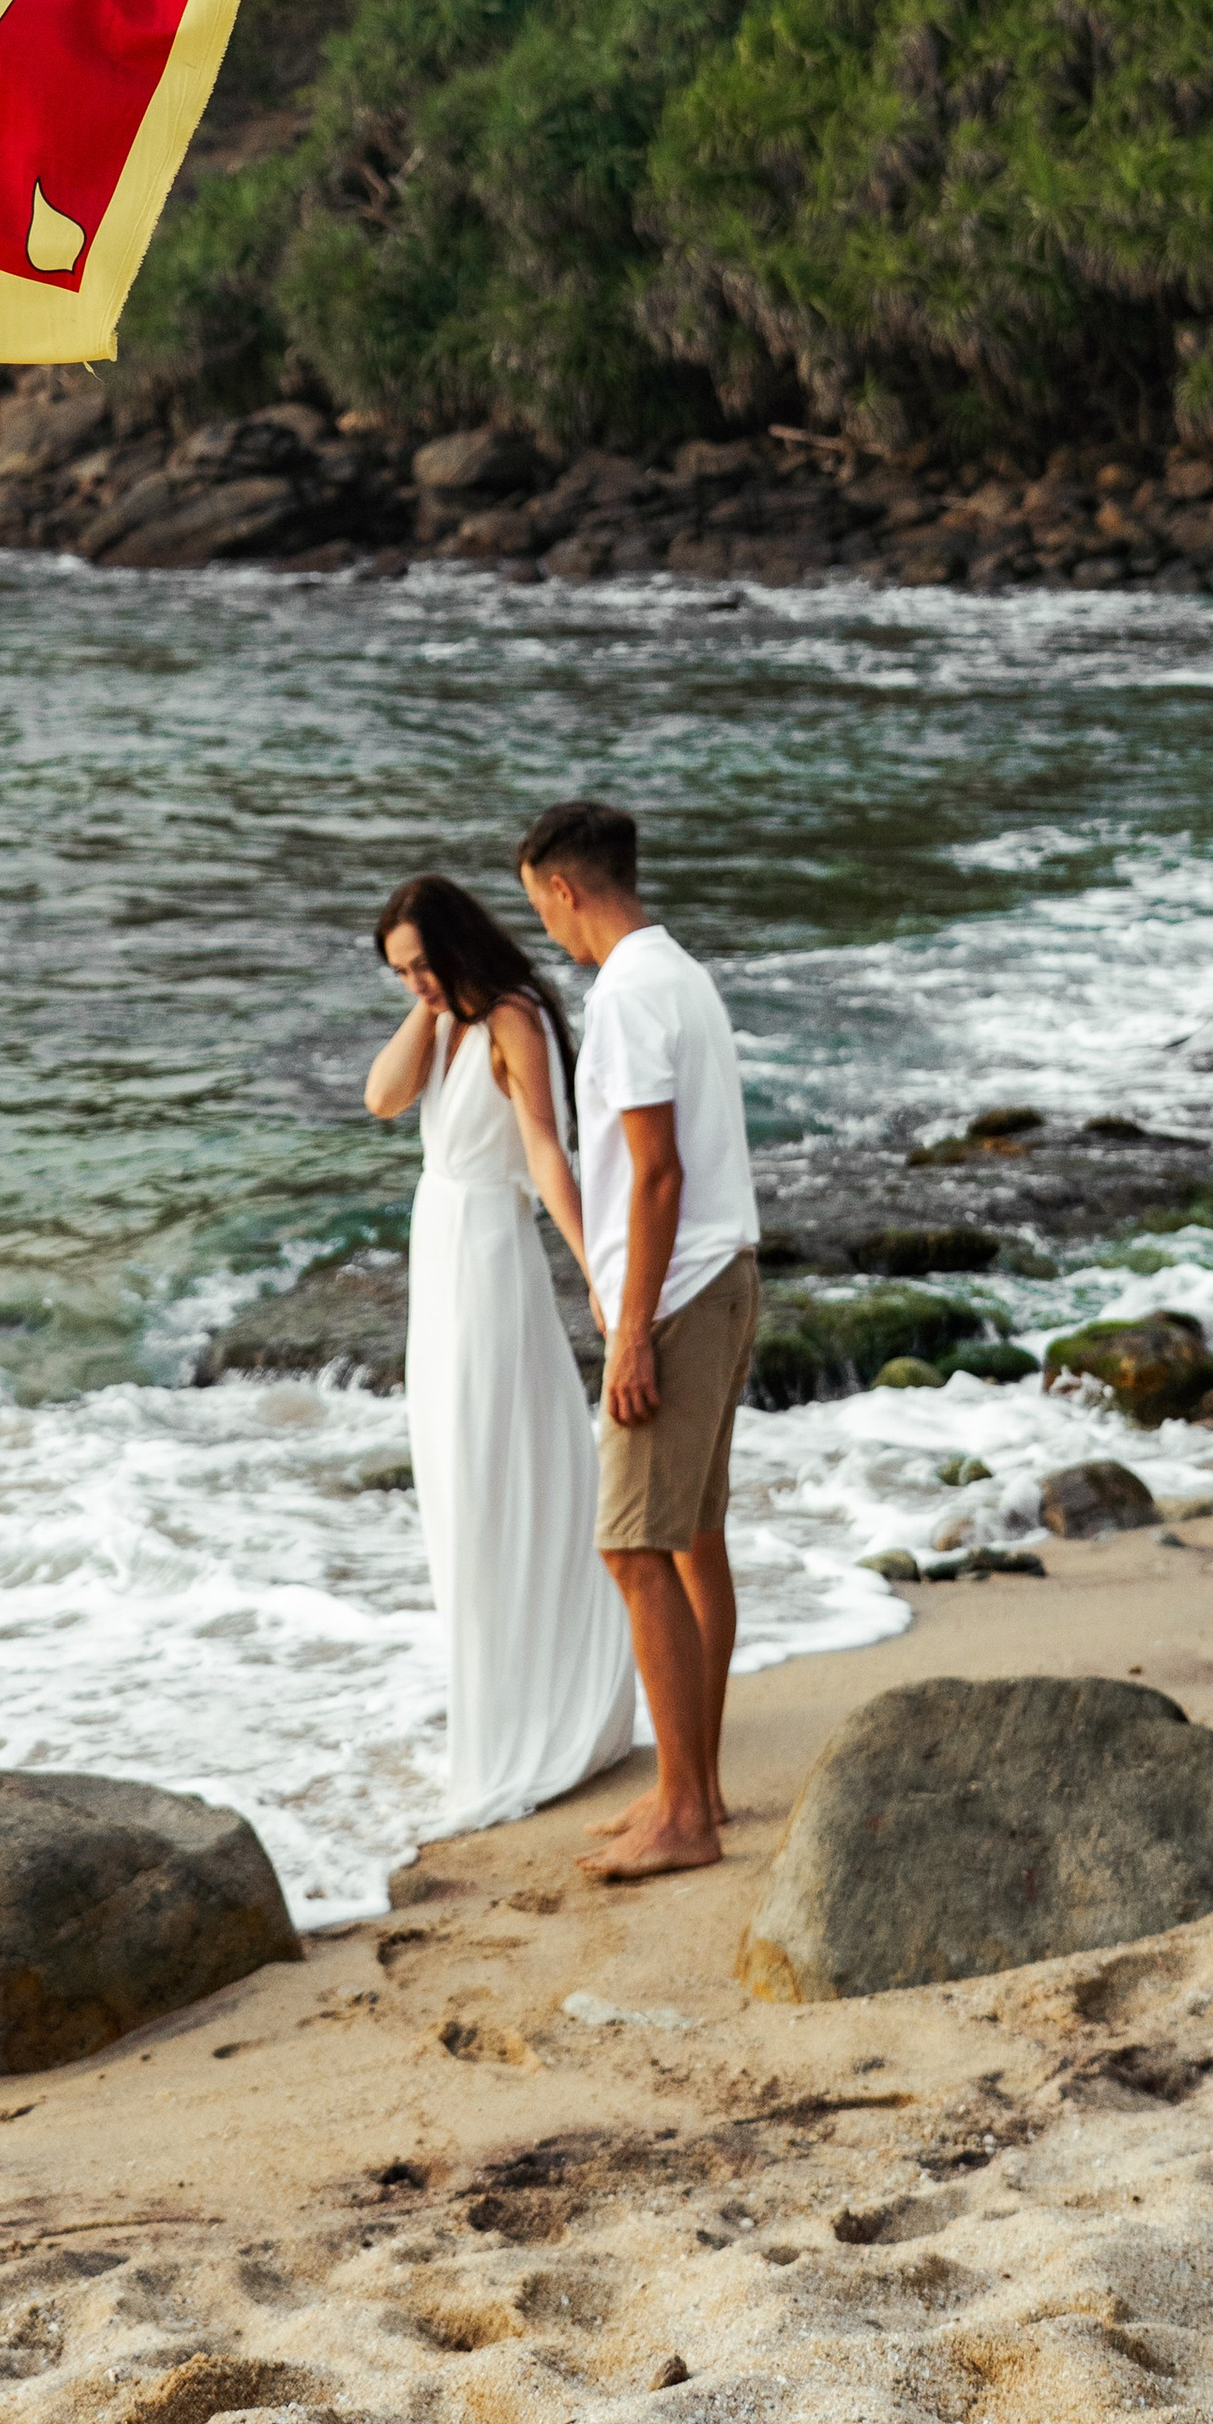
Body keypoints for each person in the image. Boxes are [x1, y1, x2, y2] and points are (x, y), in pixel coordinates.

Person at [518, 797, 760, 1884]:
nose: (547, 934)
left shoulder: (622, 993)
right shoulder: (681, 972)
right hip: (723, 1275)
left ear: (564, 887)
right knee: (692, 1537)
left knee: (631, 1545)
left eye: (542, 909)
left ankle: (681, 1815)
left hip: (678, 1292)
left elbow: (654, 1172)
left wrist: (630, 1332)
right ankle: (694, 1789)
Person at [364, 872, 636, 1839]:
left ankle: (540, 1722)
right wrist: (431, 1010)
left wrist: (600, 1276)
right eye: (399, 974)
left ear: (457, 944)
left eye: (420, 965)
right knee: (451, 1487)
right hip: (439, 1255)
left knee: (495, 1479)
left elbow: (547, 1154)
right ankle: (496, 1715)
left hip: (488, 1257)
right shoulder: (446, 1022)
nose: (413, 985)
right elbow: (381, 1098)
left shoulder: (515, 1019)